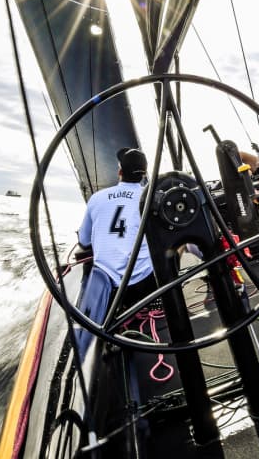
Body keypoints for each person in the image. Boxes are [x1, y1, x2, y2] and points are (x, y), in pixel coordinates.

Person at [74, 147, 158, 359]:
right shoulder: (151, 198)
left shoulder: (97, 198)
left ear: (120, 172)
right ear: (145, 173)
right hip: (144, 287)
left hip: (109, 288)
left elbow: (84, 241)